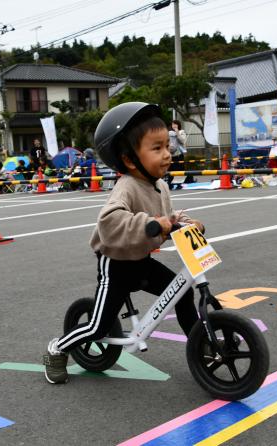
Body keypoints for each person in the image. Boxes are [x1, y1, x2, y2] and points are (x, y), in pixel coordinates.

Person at [42, 102, 205, 384]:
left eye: (167, 146)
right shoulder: (126, 187)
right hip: (115, 265)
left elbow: (169, 217)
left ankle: (201, 348)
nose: (167, 155)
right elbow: (109, 222)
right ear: (130, 159)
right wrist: (150, 224)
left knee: (183, 292)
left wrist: (187, 222)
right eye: (157, 148)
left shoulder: (160, 185)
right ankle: (56, 349)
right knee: (97, 326)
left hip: (141, 262)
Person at [166, 119, 189, 190]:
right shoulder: (168, 133)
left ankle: (179, 184)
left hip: (179, 154)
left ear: (178, 125)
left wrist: (177, 133)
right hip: (171, 154)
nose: (174, 126)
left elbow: (182, 141)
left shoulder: (182, 132)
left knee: (179, 169)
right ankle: (170, 184)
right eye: (173, 124)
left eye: (175, 124)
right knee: (170, 169)